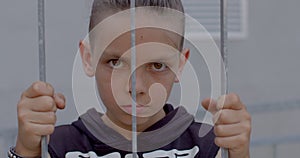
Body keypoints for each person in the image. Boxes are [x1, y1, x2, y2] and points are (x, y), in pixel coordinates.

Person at [11, 0, 251, 158]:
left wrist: (239, 153)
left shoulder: (207, 145)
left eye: (157, 65)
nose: (136, 87)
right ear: (88, 58)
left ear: (180, 65)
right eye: (115, 62)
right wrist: (25, 150)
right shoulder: (59, 146)